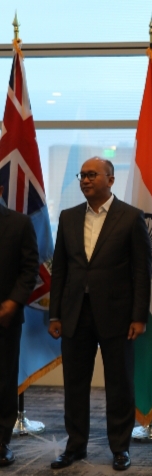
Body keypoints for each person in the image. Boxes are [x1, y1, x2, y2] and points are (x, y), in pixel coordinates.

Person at [48, 158, 152, 471]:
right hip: (75, 314)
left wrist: (139, 316)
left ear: (111, 179)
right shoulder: (68, 217)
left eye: (92, 175)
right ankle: (75, 446)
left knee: (119, 384)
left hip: (118, 315)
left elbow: (142, 271)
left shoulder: (130, 217)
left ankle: (120, 448)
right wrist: (55, 314)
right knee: (74, 384)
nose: (85, 180)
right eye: (82, 175)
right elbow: (60, 269)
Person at [0, 185, 39, 467]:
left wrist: (13, 303)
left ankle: (1, 441)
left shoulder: (19, 223)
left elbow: (30, 268)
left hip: (5, 317)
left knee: (3, 380)